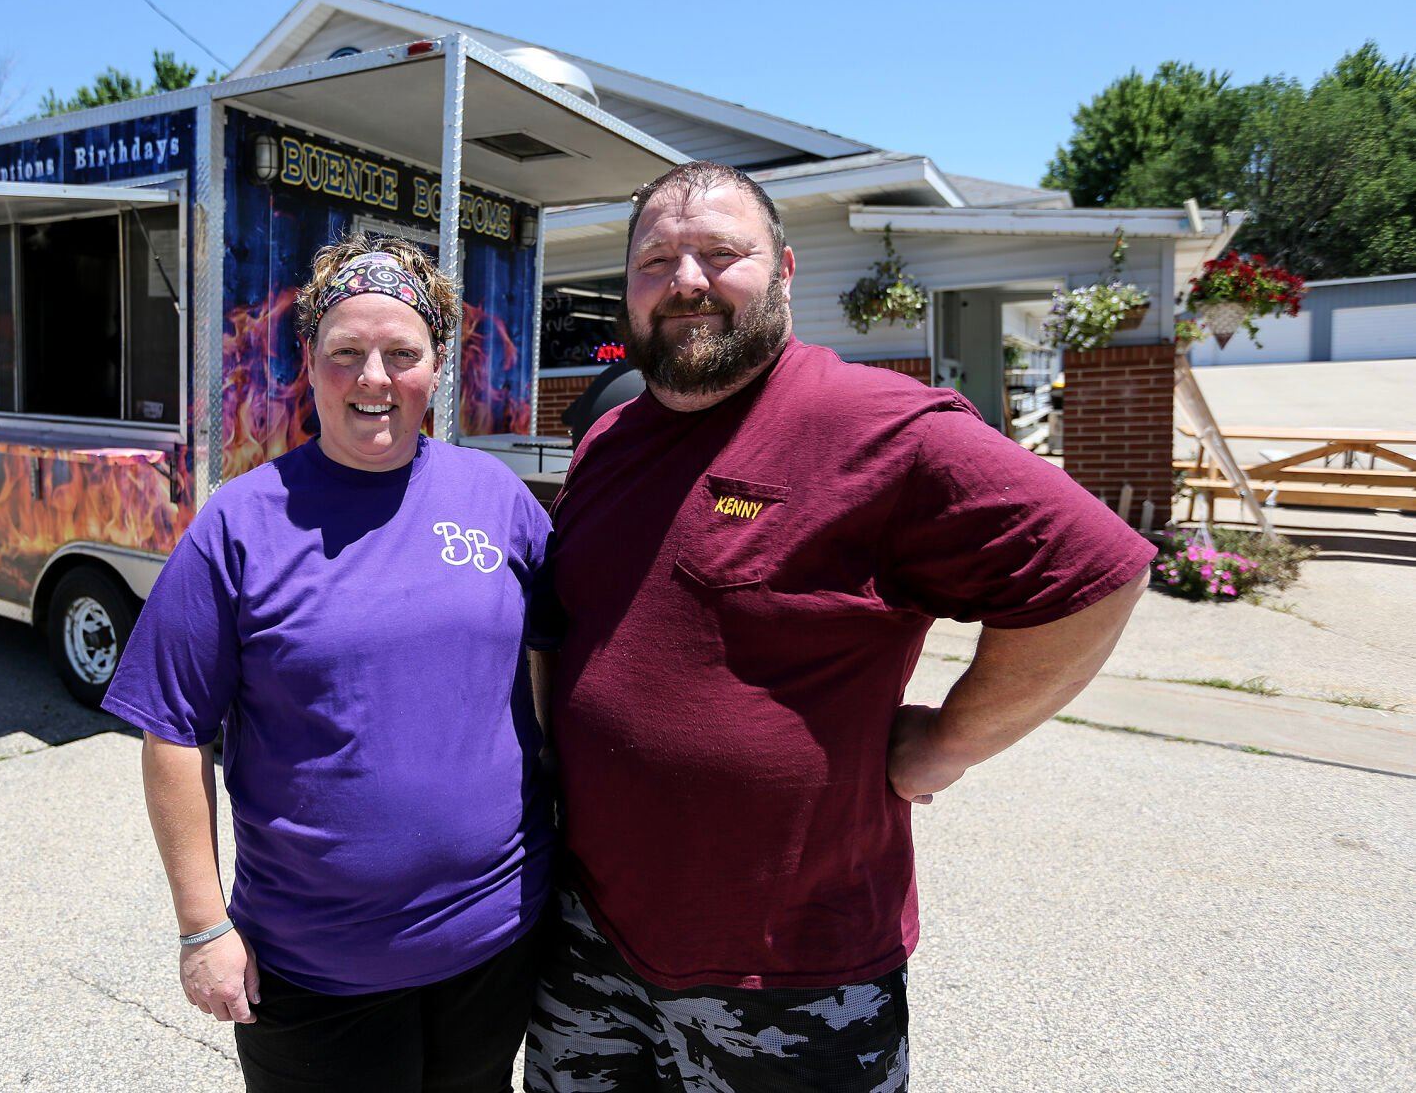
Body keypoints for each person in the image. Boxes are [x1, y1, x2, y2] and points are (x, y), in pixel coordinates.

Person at [524, 162, 1154, 1092]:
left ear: (781, 270)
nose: (686, 280)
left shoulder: (881, 427)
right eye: (655, 260)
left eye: (719, 254)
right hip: (588, 942)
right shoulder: (610, 440)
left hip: (790, 973)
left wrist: (949, 741)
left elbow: (1093, 572)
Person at [101, 234, 554, 1092]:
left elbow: (549, 663)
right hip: (316, 971)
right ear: (308, 365)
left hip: (494, 944)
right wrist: (202, 929)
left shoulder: (495, 500)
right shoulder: (241, 524)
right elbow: (173, 733)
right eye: (345, 354)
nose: (374, 379)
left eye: (401, 353)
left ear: (437, 366)